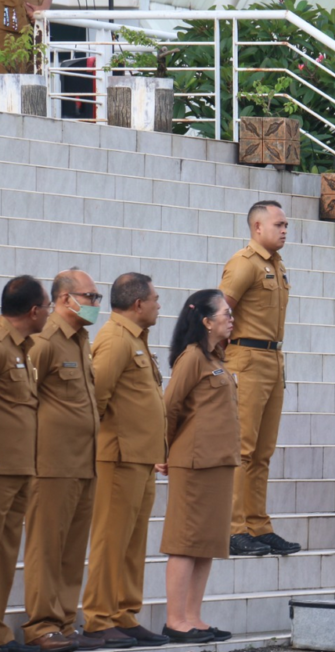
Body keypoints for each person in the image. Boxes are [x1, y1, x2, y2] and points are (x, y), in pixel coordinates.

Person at [81, 273, 171, 648]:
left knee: (132, 543)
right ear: (138, 304)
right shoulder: (116, 339)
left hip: (140, 457)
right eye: (155, 298)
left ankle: (124, 614)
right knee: (110, 539)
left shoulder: (135, 339)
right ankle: (98, 618)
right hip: (118, 458)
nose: (158, 304)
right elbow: (95, 400)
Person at [23, 269, 103, 652]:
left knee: (72, 551)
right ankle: (41, 625)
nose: (95, 304)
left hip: (84, 463)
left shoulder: (81, 339)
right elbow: (24, 397)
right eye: (90, 297)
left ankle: (65, 623)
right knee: (46, 548)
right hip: (51, 465)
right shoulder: (45, 340)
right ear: (64, 299)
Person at [160, 290, 241, 644]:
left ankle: (193, 617)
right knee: (185, 542)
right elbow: (170, 407)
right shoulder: (192, 357)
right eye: (225, 313)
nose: (231, 318)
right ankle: (175, 620)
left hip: (219, 462)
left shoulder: (218, 358)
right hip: (193, 463)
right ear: (206, 321)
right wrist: (162, 452)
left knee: (206, 543)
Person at [220, 200, 299, 557]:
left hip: (272, 358)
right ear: (257, 228)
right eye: (279, 224)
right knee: (243, 449)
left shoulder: (277, 266)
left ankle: (258, 524)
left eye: (286, 225)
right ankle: (234, 528)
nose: (284, 230)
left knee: (263, 451)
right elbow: (220, 312)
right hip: (247, 359)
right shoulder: (244, 264)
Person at [0, 276, 49, 652]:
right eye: (47, 307)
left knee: (5, 553)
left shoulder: (22, 347)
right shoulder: (2, 344)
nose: (48, 313)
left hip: (19, 468)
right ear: (34, 311)